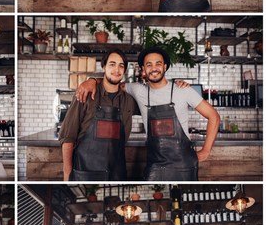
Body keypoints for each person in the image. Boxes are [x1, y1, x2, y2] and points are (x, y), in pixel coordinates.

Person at [76, 46, 220, 181]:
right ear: (143, 69)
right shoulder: (137, 90)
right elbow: (112, 82)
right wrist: (93, 81)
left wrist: (206, 150)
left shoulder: (182, 90)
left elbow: (213, 116)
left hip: (184, 165)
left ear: (164, 67)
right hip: (155, 165)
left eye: (158, 64)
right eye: (149, 65)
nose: (154, 68)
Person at [59, 51, 133, 182]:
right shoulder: (85, 94)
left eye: (121, 66)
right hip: (86, 173)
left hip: (117, 173)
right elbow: (68, 137)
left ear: (125, 70)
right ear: (103, 67)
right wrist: (67, 175)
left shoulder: (128, 100)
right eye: (112, 64)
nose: (117, 69)